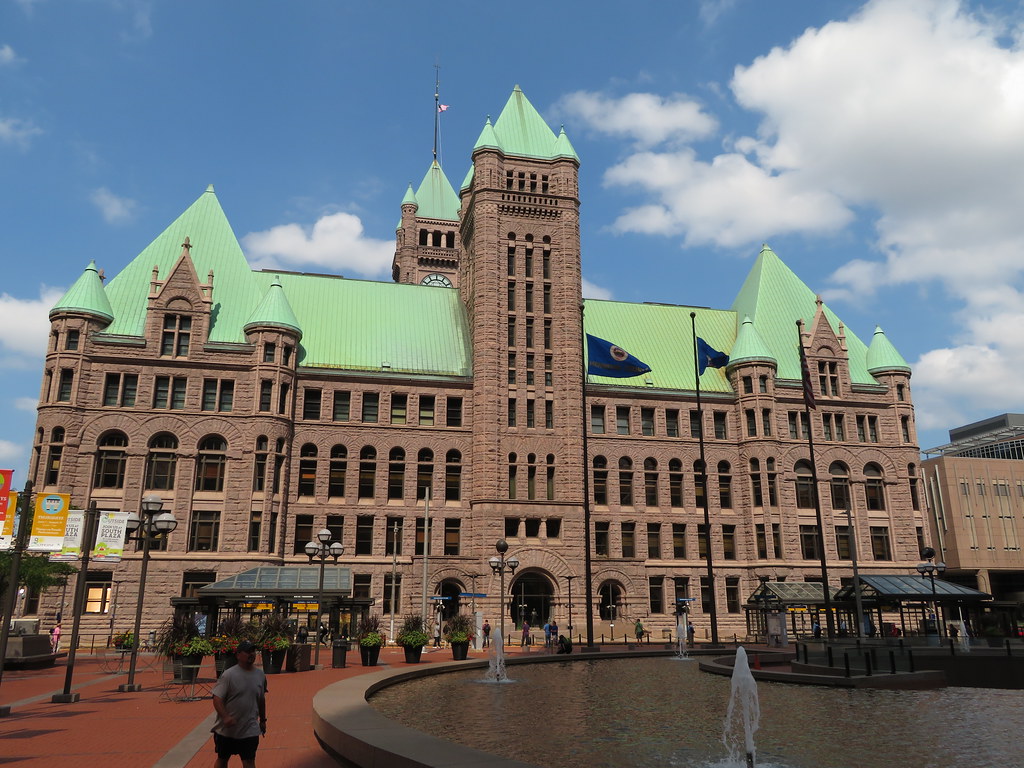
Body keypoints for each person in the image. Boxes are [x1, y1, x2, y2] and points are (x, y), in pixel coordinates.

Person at [211, 640, 267, 768]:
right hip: (227, 730)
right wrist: (225, 717)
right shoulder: (229, 675)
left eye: (253, 651)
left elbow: (261, 699)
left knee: (249, 761)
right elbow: (217, 698)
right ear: (238, 655)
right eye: (247, 651)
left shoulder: (260, 675)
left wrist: (263, 720)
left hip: (250, 728)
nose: (251, 654)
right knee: (223, 759)